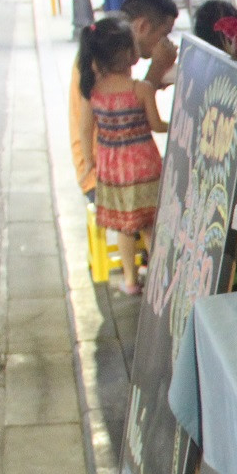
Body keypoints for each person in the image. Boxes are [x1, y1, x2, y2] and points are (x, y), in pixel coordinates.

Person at [75, 17, 166, 295]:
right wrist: (178, 126)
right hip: (144, 166)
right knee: (150, 225)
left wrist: (89, 165)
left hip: (113, 169)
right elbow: (157, 126)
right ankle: (159, 279)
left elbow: (85, 131)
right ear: (129, 53)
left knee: (125, 228)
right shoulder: (141, 89)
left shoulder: (94, 94)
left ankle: (129, 280)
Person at [120, 0, 180, 88]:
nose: (166, 41)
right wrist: (157, 67)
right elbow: (131, 103)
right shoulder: (108, 61)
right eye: (164, 34)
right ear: (142, 27)